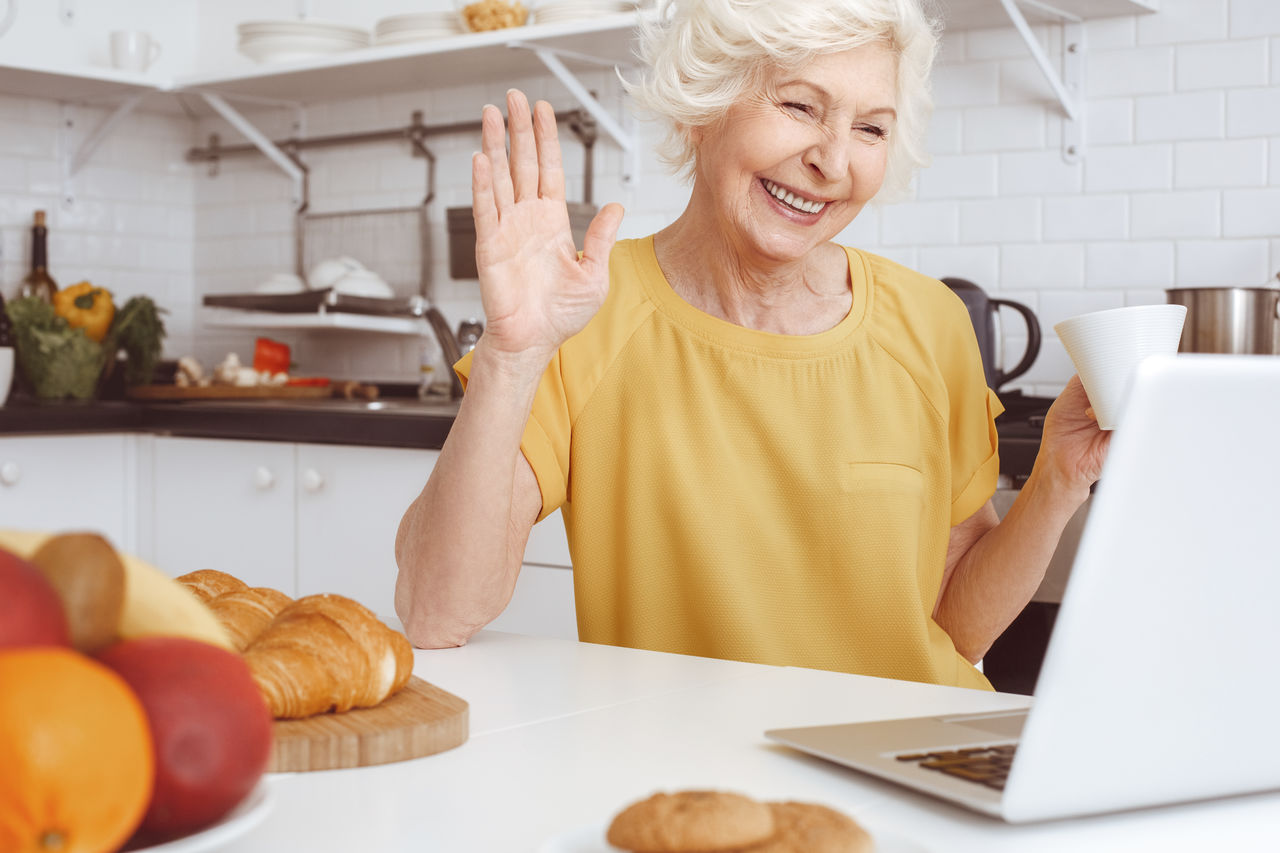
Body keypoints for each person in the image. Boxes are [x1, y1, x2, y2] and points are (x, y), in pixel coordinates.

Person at [394, 0, 1108, 690]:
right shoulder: (589, 321)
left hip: (903, 768)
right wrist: (513, 356)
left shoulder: (930, 323)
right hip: (697, 790)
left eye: (871, 128)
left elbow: (957, 628)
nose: (833, 160)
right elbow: (435, 610)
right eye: (800, 106)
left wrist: (1057, 482)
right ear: (701, 106)